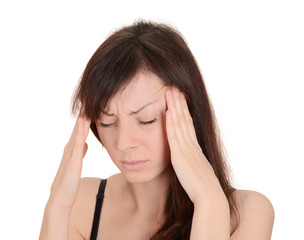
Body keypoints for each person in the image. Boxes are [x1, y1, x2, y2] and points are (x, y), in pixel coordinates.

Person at [39, 20, 274, 240]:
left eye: (147, 120)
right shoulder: (82, 203)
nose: (123, 143)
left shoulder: (248, 212)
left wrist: (209, 200)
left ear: (188, 113)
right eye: (107, 122)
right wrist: (57, 206)